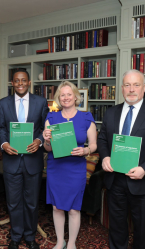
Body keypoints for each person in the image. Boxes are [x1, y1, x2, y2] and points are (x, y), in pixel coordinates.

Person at [97, 69, 145, 249]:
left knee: (142, 231)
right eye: (127, 85)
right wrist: (105, 156)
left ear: (144, 88)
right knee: (116, 227)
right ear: (122, 88)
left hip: (143, 182)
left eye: (136, 85)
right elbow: (102, 140)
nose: (131, 89)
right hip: (114, 180)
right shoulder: (111, 113)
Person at [0, 69, 49, 249]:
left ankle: (29, 236)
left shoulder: (41, 102)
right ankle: (15, 236)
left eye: (24, 80)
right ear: (12, 83)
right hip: (11, 160)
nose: (20, 83)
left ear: (29, 82)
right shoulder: (3, 104)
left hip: (33, 161)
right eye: (17, 81)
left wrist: (39, 140)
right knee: (13, 202)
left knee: (32, 202)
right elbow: (1, 128)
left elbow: (45, 127)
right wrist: (4, 144)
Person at [43, 81, 97, 249]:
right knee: (57, 207)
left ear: (75, 97)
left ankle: (72, 243)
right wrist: (46, 139)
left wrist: (85, 151)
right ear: (58, 98)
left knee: (74, 209)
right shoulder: (51, 117)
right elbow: (47, 148)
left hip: (76, 169)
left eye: (69, 94)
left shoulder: (86, 117)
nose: (66, 97)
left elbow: (94, 145)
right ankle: (60, 242)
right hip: (56, 168)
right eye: (62, 95)